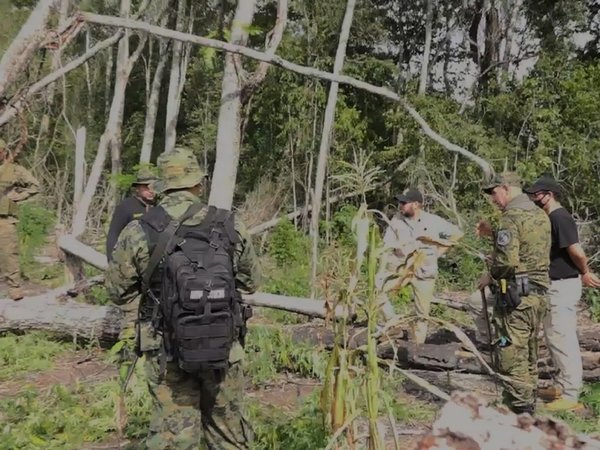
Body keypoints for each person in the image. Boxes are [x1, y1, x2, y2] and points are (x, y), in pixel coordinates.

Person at [107, 147, 259, 450]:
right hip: (223, 347)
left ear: (160, 187)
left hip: (167, 350)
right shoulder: (230, 224)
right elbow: (250, 282)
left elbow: (117, 291)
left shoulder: (139, 230)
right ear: (198, 183)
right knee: (229, 434)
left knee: (175, 437)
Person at [476, 172, 551, 415]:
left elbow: (507, 260)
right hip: (537, 294)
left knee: (509, 351)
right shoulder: (540, 214)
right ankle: (526, 402)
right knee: (528, 352)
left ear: (505, 188)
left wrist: (491, 274)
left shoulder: (511, 217)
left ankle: (519, 410)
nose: (492, 199)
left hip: (516, 297)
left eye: (493, 193)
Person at [524, 175, 600, 411]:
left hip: (562, 285)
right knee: (552, 337)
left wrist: (585, 271)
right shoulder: (548, 217)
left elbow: (576, 251)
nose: (534, 198)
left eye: (538, 194)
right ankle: (560, 386)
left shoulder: (560, 217)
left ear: (550, 194)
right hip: (552, 285)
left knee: (562, 338)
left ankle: (570, 394)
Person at [378, 188, 463, 344]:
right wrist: (382, 268)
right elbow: (387, 245)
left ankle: (417, 348)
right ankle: (394, 326)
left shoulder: (433, 221)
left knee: (422, 314)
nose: (400, 205)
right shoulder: (396, 221)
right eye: (400, 202)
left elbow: (457, 234)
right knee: (377, 289)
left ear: (416, 204)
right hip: (401, 269)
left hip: (425, 271)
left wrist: (439, 252)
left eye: (404, 202)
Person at [0, 138, 40, 300]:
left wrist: (18, 196)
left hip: (4, 219)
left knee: (9, 253)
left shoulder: (14, 170)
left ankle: (14, 287)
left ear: (3, 152)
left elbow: (35, 186)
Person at [106, 166, 158, 262]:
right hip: (130, 259)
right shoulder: (126, 206)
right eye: (146, 187)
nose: (151, 190)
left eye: (153, 187)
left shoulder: (160, 206)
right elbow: (113, 234)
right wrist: (111, 260)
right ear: (137, 188)